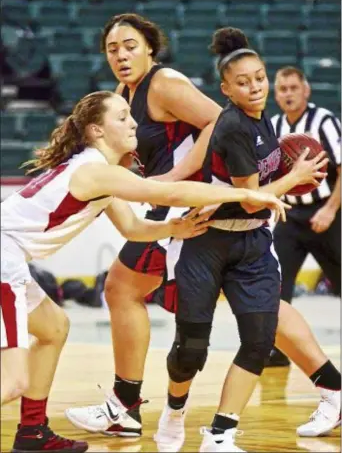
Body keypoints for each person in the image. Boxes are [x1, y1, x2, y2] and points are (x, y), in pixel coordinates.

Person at [65, 20, 340, 445]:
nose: (120, 55)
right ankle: (331, 386)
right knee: (246, 303)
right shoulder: (125, 94)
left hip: (200, 204)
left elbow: (218, 122)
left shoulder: (165, 83)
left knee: (123, 288)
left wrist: (173, 178)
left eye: (129, 46)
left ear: (150, 50)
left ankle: (127, 405)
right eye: (111, 48)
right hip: (182, 205)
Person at [1, 90, 288, 453]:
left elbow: (133, 229)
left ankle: (32, 433)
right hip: (3, 258)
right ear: (96, 131)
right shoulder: (95, 172)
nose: (133, 122)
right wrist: (245, 195)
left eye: (130, 115)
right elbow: (165, 193)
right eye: (121, 118)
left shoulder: (99, 173)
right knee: (11, 381)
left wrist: (173, 229)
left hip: (8, 257)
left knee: (55, 327)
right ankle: (30, 430)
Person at [150, 29, 339, 452]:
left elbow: (257, 202)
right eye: (243, 82)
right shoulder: (233, 126)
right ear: (226, 90)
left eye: (260, 78)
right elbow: (252, 200)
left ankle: (220, 434)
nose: (255, 87)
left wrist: (287, 173)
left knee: (258, 341)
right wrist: (295, 179)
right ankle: (174, 410)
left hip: (252, 245)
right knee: (191, 350)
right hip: (207, 242)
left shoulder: (263, 119)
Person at [267, 66, 341, 367]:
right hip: (290, 216)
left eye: (293, 88)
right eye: (282, 89)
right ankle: (278, 349)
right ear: (276, 94)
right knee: (275, 283)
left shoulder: (324, 121)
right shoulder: (272, 125)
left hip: (327, 212)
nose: (288, 94)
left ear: (305, 90)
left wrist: (331, 209)